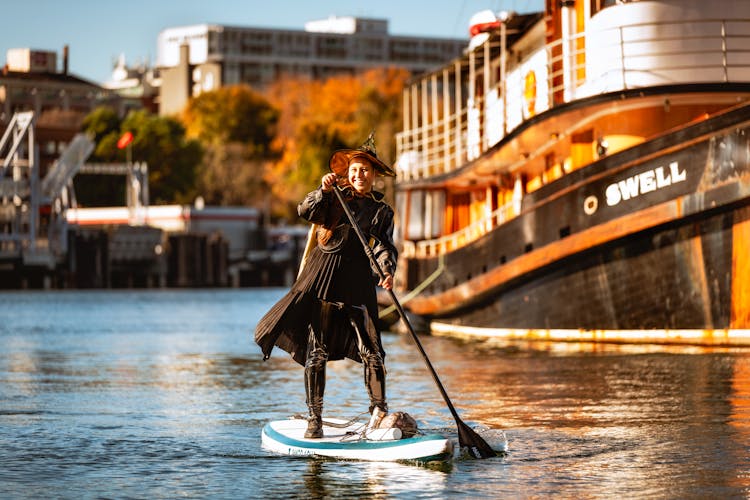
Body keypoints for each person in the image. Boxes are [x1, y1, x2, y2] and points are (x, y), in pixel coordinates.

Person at [254, 133, 398, 438]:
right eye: (355, 170)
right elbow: (305, 212)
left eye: (366, 171)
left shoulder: (381, 212)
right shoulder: (333, 196)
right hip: (323, 278)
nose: (360, 175)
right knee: (316, 352)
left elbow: (385, 246)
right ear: (348, 173)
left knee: (372, 350)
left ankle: (379, 411)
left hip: (359, 281)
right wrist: (321, 190)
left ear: (374, 176)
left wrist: (387, 270)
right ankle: (314, 419)